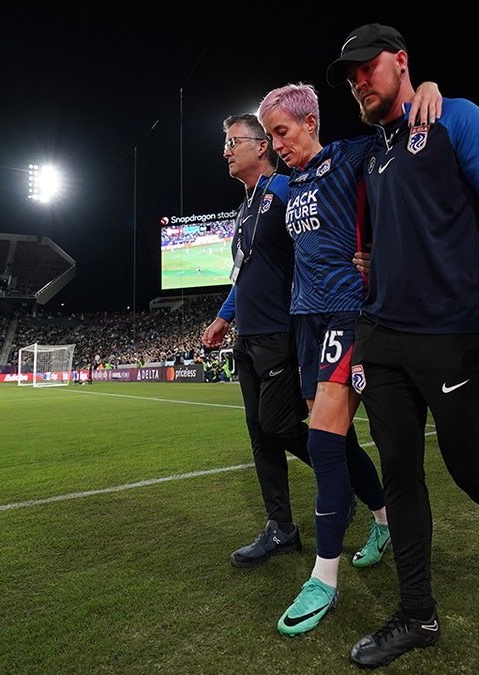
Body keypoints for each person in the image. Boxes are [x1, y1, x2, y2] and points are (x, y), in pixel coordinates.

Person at [328, 24, 479, 668]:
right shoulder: (369, 155)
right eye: (349, 77)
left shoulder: (457, 119)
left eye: (367, 68)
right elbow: (307, 163)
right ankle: (417, 615)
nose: (358, 82)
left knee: (471, 467)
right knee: (400, 475)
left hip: (455, 335)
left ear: (400, 61)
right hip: (383, 337)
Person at [257, 79, 441, 637]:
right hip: (304, 322)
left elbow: (398, 125)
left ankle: (324, 576)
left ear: (311, 122)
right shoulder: (287, 189)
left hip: (346, 313)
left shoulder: (349, 156)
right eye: (269, 137)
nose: (276, 145)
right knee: (330, 438)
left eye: (281, 132)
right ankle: (383, 519)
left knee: (319, 442)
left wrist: (425, 89)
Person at [203, 113, 313, 569]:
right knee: (260, 435)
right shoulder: (246, 206)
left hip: (277, 332)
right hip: (246, 336)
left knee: (279, 425)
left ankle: (344, 473)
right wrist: (223, 318)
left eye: (232, 142)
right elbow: (243, 274)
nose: (225, 151)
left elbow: (312, 247)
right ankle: (281, 527)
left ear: (261, 146)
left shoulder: (286, 191)